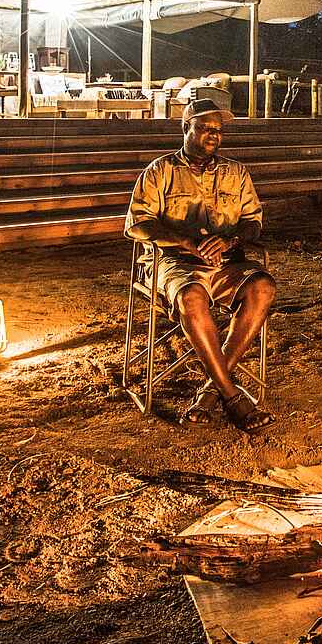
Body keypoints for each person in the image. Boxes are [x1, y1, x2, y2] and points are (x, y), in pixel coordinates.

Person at [124, 100, 276, 432]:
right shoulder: (160, 171)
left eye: (218, 131)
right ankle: (234, 398)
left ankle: (210, 392)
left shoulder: (236, 172)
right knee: (192, 297)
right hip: (175, 264)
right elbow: (137, 224)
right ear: (185, 128)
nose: (213, 136)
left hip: (225, 263)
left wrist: (231, 240)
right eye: (205, 128)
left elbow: (253, 222)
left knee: (262, 286)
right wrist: (186, 242)